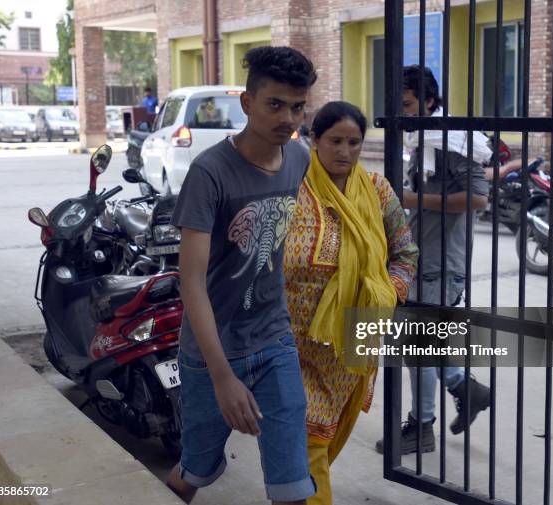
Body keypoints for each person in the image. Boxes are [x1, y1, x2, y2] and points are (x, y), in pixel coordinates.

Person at [166, 46, 318, 504]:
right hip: (211, 350)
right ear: (248, 103)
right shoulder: (209, 172)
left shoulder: (299, 158)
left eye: (296, 107)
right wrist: (221, 376)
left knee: (292, 480)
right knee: (195, 468)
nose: (286, 117)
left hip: (273, 338)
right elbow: (190, 280)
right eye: (274, 104)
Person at [284, 101, 418, 505]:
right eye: (335, 141)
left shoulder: (377, 190)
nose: (344, 151)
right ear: (314, 140)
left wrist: (386, 292)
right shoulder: (291, 188)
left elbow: (405, 253)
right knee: (308, 443)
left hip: (353, 341)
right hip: (294, 342)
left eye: (354, 142)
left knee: (325, 442)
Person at [376, 65, 491, 456]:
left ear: (428, 101)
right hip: (420, 258)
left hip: (443, 263)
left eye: (407, 104)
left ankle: (422, 428)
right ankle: (466, 389)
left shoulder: (452, 143)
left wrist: (412, 200)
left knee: (415, 347)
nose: (402, 113)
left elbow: (478, 199)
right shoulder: (424, 140)